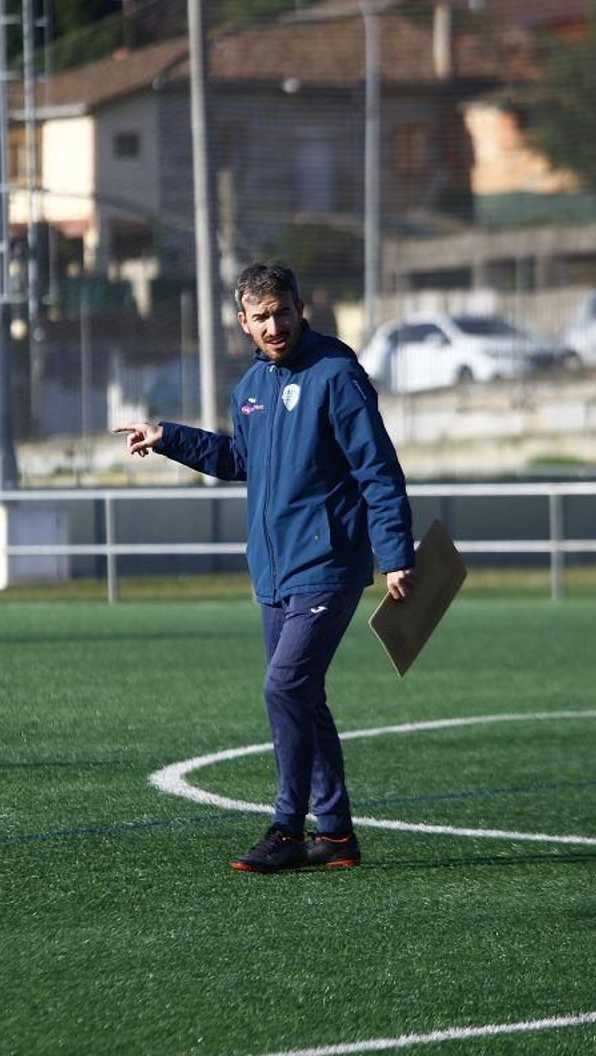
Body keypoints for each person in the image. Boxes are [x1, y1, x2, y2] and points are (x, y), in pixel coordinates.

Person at [116, 262, 415, 874]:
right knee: (304, 697)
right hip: (274, 572)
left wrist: (395, 557)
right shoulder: (250, 387)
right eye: (261, 317)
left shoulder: (337, 374)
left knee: (284, 688)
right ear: (243, 323)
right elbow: (237, 459)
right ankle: (333, 836)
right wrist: (167, 436)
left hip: (328, 565)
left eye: (282, 311)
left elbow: (378, 471)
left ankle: (287, 826)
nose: (274, 325)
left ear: (300, 308)